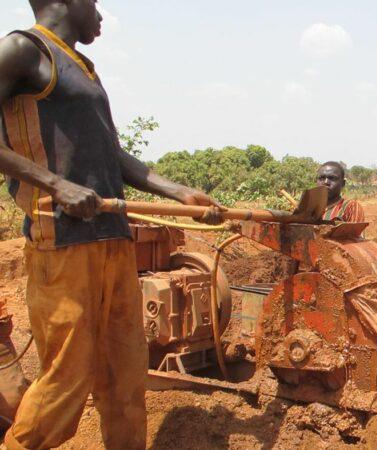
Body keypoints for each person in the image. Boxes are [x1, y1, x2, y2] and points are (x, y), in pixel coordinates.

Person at [0, 1, 221, 448]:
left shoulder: (83, 69)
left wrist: (178, 192)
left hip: (112, 240)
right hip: (61, 243)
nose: (101, 13)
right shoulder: (23, 50)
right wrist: (54, 184)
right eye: (95, 2)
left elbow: (112, 154)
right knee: (66, 382)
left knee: (126, 380)